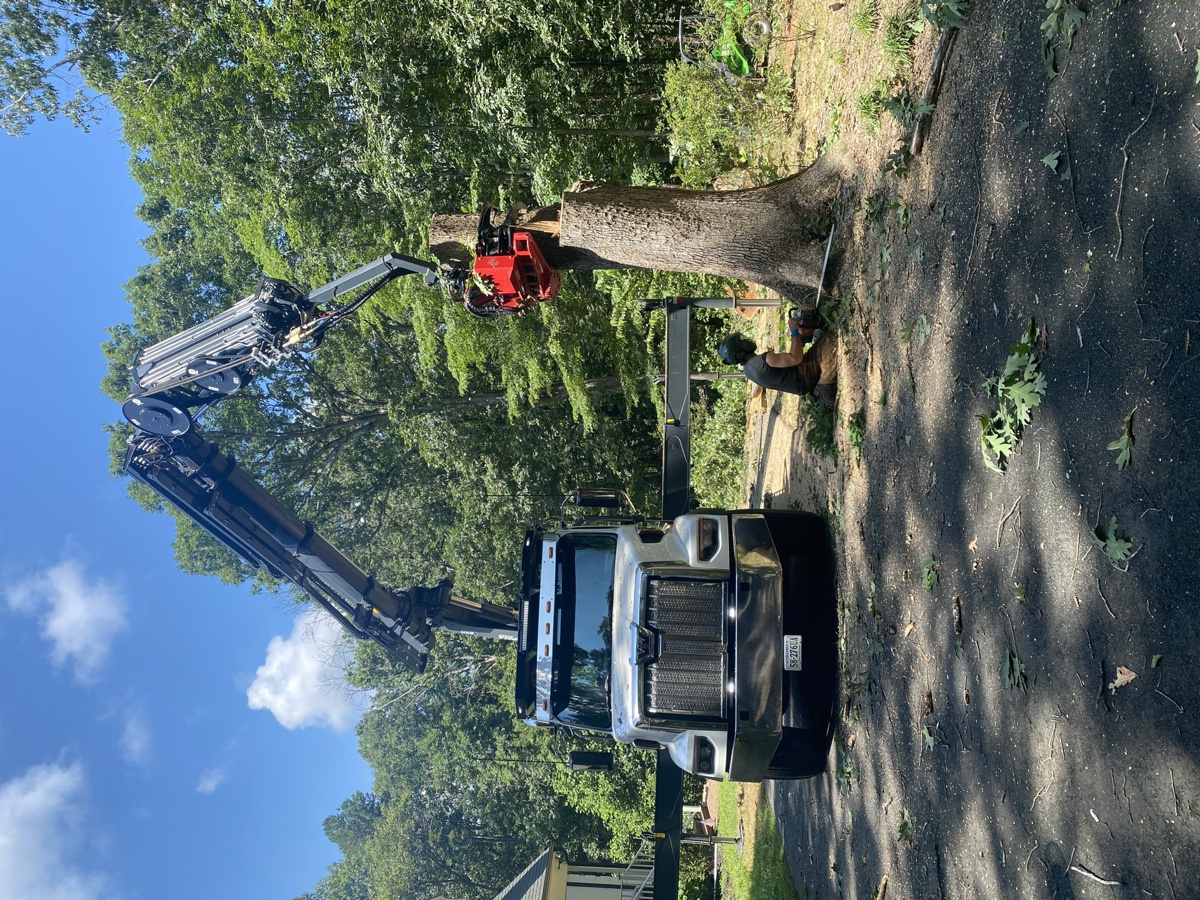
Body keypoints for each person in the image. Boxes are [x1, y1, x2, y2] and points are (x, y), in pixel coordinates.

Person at [717, 309, 837, 408]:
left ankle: (820, 385)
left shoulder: (748, 371)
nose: (746, 341)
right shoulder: (764, 360)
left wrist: (801, 339)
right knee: (831, 340)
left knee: (819, 343)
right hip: (804, 375)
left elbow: (787, 367)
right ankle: (824, 385)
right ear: (739, 353)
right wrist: (794, 331)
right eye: (742, 342)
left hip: (801, 383)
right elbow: (795, 358)